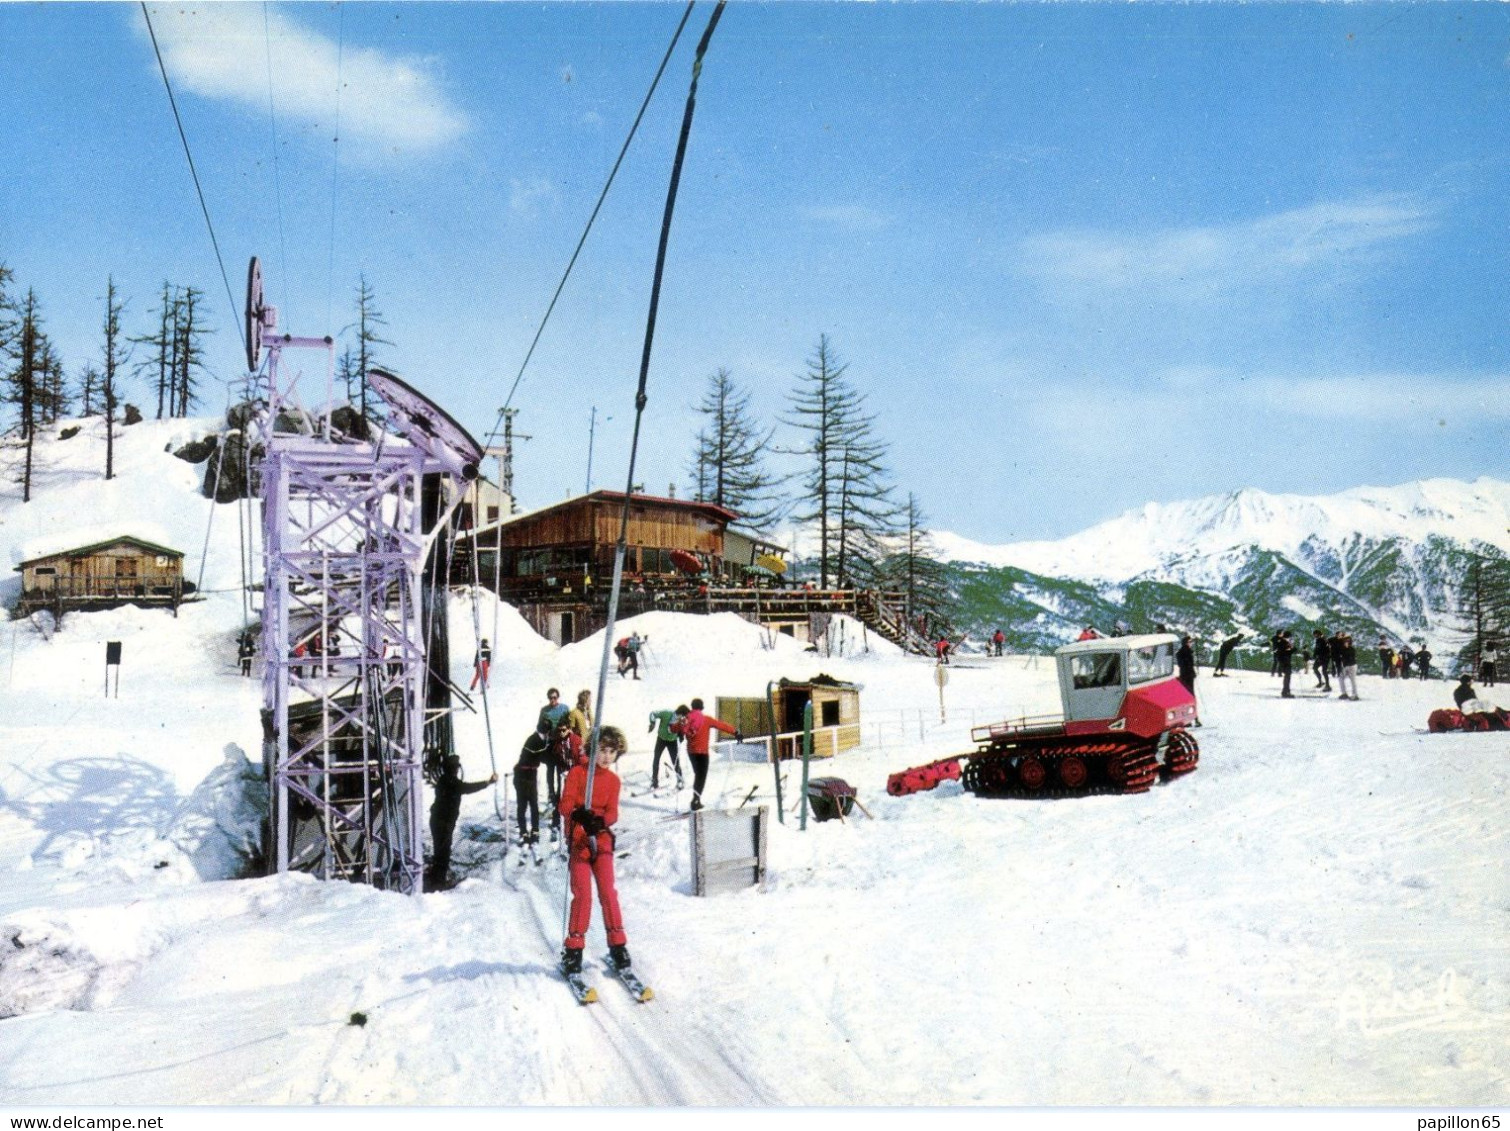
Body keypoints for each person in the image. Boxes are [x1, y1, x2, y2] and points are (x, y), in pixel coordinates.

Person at [559, 725, 633, 976]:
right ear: (593, 749)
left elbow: (612, 812)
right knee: (583, 895)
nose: (606, 757)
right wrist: (579, 813)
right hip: (580, 840)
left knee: (608, 892)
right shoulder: (578, 773)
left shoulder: (613, 781)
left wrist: (601, 822)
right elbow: (565, 804)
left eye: (611, 752)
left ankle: (618, 945)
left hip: (600, 840)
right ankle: (574, 949)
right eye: (602, 750)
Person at [426, 754, 497, 891]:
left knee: (440, 851)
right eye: (455, 768)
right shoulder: (451, 782)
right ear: (453, 769)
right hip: (443, 822)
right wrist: (488, 782)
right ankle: (438, 884)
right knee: (443, 853)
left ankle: (436, 878)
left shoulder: (444, 780)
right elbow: (467, 788)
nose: (457, 770)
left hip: (439, 820)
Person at [672, 698, 740, 811]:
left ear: (692, 707)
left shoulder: (686, 719)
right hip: (702, 753)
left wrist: (678, 729)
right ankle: (695, 800)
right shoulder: (706, 719)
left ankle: (696, 799)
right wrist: (735, 732)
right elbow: (721, 725)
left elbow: (674, 728)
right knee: (700, 777)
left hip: (691, 752)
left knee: (698, 775)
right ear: (701, 707)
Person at [514, 726, 550, 847]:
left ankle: (534, 830)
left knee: (533, 804)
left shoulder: (539, 739)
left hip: (530, 774)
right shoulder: (534, 740)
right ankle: (523, 831)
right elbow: (542, 755)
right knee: (523, 804)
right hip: (523, 776)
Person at [647, 705, 686, 791]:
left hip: (672, 741)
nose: (682, 718)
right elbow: (653, 714)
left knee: (675, 761)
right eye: (681, 716)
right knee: (656, 758)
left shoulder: (682, 719)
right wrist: (653, 723)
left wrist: (681, 734)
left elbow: (682, 727)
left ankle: (680, 780)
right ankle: (654, 781)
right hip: (661, 739)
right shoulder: (666, 713)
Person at [1337, 634, 1359, 701]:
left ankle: (1355, 695)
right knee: (1341, 678)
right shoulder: (1344, 649)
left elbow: (1349, 658)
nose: (1345, 643)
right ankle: (1344, 693)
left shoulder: (1351, 649)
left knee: (1352, 680)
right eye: (1345, 642)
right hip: (1346, 666)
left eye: (1347, 642)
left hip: (1351, 666)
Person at [1275, 630, 1295, 698]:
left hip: (1283, 661)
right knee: (1287, 676)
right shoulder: (1284, 642)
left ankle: (1286, 691)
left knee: (1287, 676)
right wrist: (1293, 649)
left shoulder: (1282, 641)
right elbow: (1286, 652)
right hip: (1285, 661)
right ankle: (1285, 692)